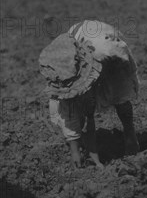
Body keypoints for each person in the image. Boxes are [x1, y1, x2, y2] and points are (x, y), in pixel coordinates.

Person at [39, 21, 140, 168]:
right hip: (84, 39)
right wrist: (77, 152)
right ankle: (91, 150)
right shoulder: (62, 73)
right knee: (83, 106)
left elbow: (126, 74)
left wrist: (131, 136)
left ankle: (131, 137)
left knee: (120, 94)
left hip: (110, 51)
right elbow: (70, 114)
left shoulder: (110, 51)